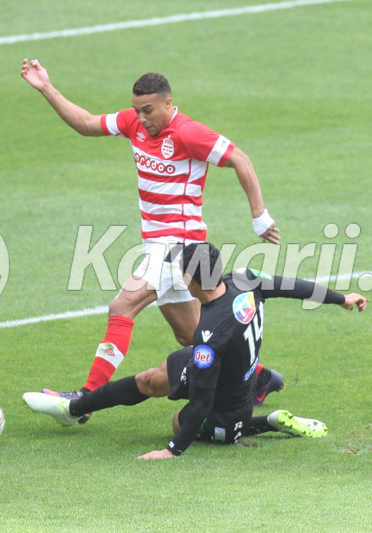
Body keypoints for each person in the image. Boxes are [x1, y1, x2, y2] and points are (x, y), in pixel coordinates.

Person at [20, 60, 283, 417]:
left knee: (121, 307)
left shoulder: (189, 133)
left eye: (149, 110)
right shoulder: (133, 124)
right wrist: (46, 88)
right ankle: (262, 379)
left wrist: (259, 216)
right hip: (160, 245)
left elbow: (241, 159)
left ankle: (83, 400)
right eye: (137, 110)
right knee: (192, 337)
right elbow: (85, 124)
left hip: (180, 246)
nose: (142, 118)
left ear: (168, 103)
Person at [23, 242, 368, 459]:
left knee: (179, 421)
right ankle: (74, 408)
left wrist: (171, 451)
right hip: (232, 370)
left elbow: (201, 405)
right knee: (151, 380)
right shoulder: (244, 278)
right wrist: (341, 298)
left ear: (192, 281)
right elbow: (293, 286)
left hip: (231, 406)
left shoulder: (208, 338)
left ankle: (269, 422)